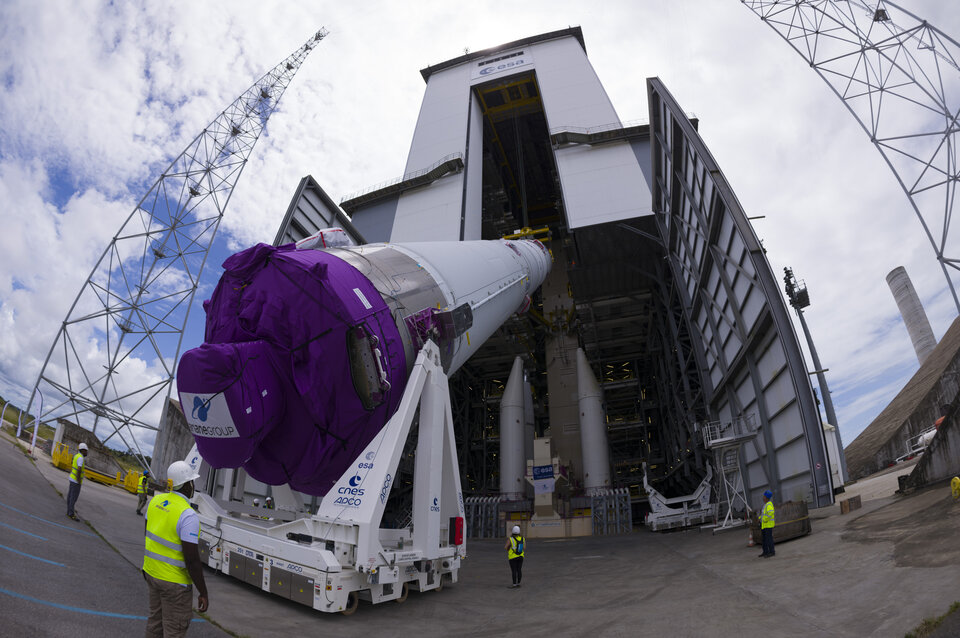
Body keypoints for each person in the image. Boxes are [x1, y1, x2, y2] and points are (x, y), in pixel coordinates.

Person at [143, 461, 209, 638]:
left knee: (154, 625)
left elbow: (147, 535)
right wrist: (203, 592)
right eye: (192, 482)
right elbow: (192, 560)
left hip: (151, 573)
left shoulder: (155, 501)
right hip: (174, 583)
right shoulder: (188, 515)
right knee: (174, 631)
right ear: (188, 485)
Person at [66, 442, 89, 520]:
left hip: (72, 478)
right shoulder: (81, 458)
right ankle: (71, 513)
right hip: (76, 481)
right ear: (83, 450)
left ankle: (69, 510)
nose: (87, 452)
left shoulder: (76, 456)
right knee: (73, 498)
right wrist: (79, 480)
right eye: (86, 451)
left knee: (70, 496)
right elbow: (79, 469)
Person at [759, 490, 776, 558]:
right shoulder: (765, 505)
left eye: (764, 496)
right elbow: (764, 514)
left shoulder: (769, 504)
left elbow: (771, 513)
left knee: (769, 539)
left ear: (766, 497)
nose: (763, 498)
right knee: (764, 539)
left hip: (768, 525)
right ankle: (765, 552)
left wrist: (764, 519)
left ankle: (772, 552)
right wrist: (759, 518)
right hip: (764, 525)